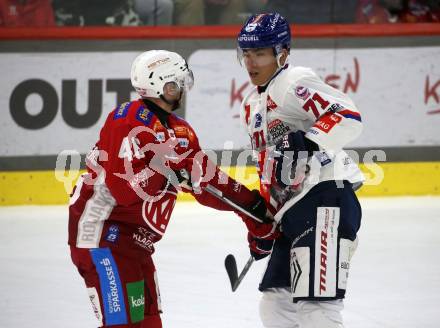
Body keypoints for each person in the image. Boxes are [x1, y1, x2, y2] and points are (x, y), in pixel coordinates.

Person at [68, 49, 278, 327]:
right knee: (122, 323)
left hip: (136, 245)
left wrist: (255, 214)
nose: (182, 88)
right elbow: (125, 190)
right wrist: (170, 171)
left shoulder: (181, 130)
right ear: (159, 84)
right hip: (102, 238)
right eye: (176, 82)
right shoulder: (126, 119)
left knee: (148, 322)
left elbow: (209, 182)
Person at [237, 13, 364, 328]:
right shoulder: (251, 104)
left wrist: (309, 142)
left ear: (282, 53)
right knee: (276, 305)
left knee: (317, 310)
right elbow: (270, 168)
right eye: (247, 53)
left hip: (324, 201)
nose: (251, 62)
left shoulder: (294, 81)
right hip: (292, 212)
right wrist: (266, 224)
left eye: (261, 53)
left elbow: (347, 115)